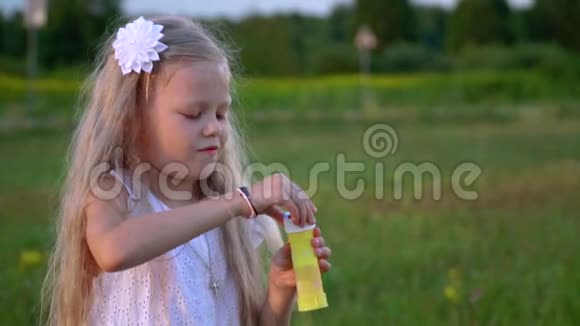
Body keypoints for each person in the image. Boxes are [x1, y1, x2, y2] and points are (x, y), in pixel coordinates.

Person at [42, 16, 332, 326]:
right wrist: (238, 202)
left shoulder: (228, 217)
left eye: (221, 113)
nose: (213, 128)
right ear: (132, 119)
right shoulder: (116, 190)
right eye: (193, 114)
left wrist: (279, 288)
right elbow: (113, 250)